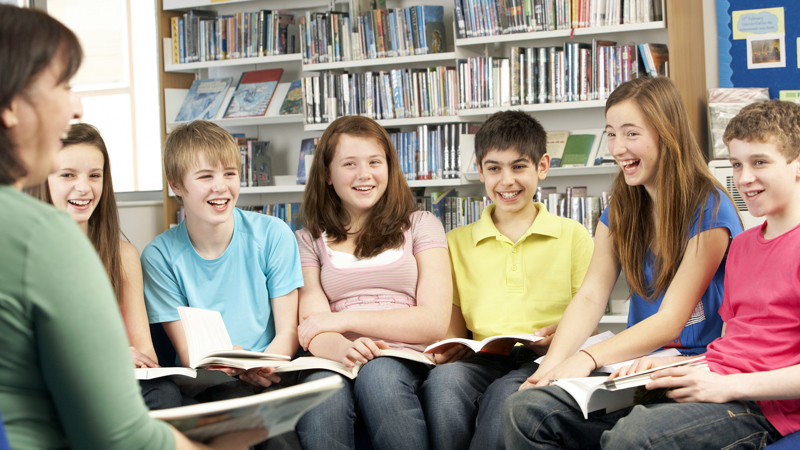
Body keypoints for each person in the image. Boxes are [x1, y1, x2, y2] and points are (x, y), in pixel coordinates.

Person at [0, 4, 267, 449]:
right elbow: (118, 434)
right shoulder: (41, 237)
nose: (77, 105)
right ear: (10, 106)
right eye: (62, 85)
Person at [503, 99, 800, 449]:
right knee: (526, 410)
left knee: (634, 436)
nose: (744, 178)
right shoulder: (745, 246)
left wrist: (726, 385)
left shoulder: (721, 218)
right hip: (706, 378)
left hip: (760, 405)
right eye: (736, 164)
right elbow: (736, 343)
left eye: (759, 162)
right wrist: (667, 366)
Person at [419, 110, 594, 450]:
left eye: (518, 166)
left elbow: (589, 310)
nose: (506, 181)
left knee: (505, 396)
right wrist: (451, 345)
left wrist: (560, 338)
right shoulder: (455, 241)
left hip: (546, 355)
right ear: (481, 170)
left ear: (542, 166)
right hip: (483, 357)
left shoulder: (573, 235)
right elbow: (453, 322)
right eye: (494, 168)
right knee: (442, 384)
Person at [294, 115, 451, 450]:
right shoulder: (307, 240)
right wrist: (346, 349)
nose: (364, 175)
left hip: (404, 358)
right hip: (336, 357)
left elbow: (435, 321)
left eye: (374, 162)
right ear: (327, 175)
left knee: (379, 375)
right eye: (349, 163)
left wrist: (344, 319)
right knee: (320, 391)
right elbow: (312, 327)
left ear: (389, 169)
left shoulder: (422, 225)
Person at [27, 122, 183, 410]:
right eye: (67, 175)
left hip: (117, 383)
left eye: (94, 175)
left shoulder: (122, 255)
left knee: (164, 393)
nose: (84, 187)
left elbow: (144, 348)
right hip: (54, 386)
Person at [141, 120, 303, 394]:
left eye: (229, 173)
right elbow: (189, 352)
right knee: (233, 393)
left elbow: (287, 332)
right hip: (207, 382)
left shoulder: (274, 234)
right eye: (205, 176)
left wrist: (263, 365)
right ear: (176, 185)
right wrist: (231, 363)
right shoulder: (159, 256)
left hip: (273, 371)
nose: (221, 187)